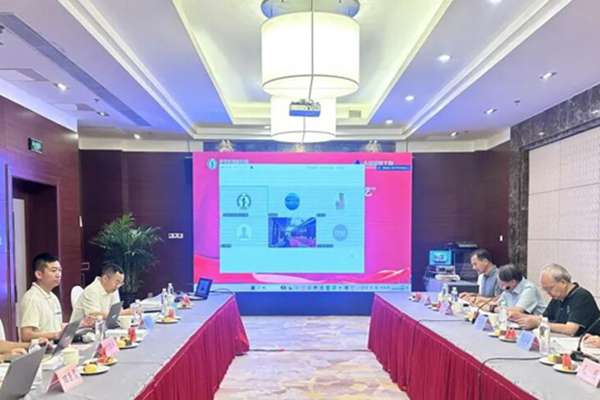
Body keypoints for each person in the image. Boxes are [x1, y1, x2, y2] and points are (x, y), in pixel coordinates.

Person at [514, 263, 600, 336]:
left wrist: (538, 323)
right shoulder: (558, 296)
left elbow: (570, 329)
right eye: (545, 290)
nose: (548, 293)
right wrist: (523, 317)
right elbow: (544, 318)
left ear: (563, 282)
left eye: (550, 288)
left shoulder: (581, 296)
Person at [20, 253, 64, 342]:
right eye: (53, 270)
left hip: (55, 345)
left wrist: (79, 325)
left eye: (60, 270)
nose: (58, 274)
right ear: (39, 274)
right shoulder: (32, 298)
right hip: (41, 349)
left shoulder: (53, 297)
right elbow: (26, 335)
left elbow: (57, 326)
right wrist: (55, 335)